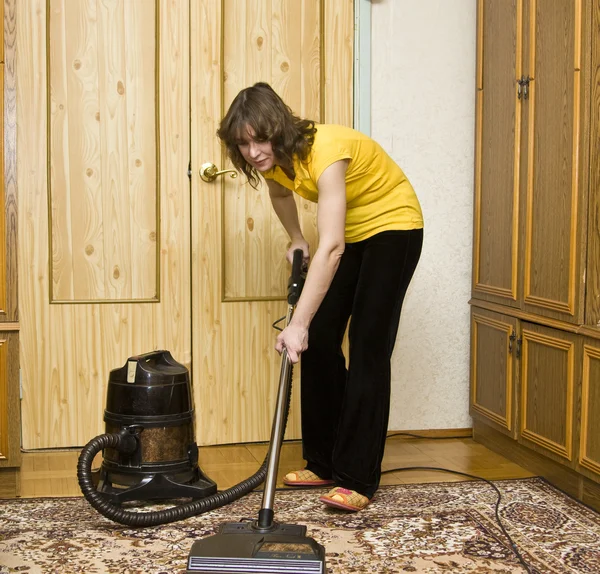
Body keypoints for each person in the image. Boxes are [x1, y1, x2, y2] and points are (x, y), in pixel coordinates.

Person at [217, 82, 423, 512]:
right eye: (243, 144)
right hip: (352, 233)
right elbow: (278, 192)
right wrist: (295, 237)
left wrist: (297, 323)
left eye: (259, 139)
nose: (254, 152)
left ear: (278, 126)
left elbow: (330, 247)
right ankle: (324, 461)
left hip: (394, 227)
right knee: (323, 340)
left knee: (368, 343)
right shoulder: (276, 162)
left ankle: (357, 478)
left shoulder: (325, 151)